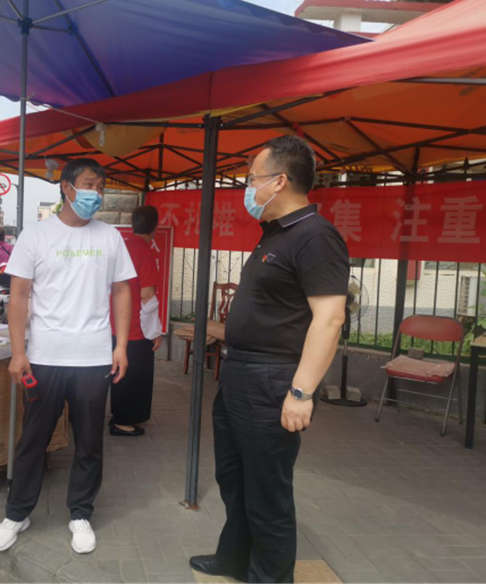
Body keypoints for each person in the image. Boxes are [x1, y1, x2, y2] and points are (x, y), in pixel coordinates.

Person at [189, 136, 349, 584]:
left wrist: (301, 392)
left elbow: (330, 319)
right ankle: (235, 559)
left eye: (251, 179)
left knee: (267, 493)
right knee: (234, 478)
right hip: (240, 374)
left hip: (272, 380)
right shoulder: (276, 234)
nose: (247, 188)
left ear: (279, 181)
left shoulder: (316, 237)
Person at [0, 158, 136, 555]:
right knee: (33, 440)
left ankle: (81, 514)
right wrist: (18, 352)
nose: (96, 193)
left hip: (93, 357)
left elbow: (122, 291)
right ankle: (17, 513)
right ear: (67, 188)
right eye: (89, 184)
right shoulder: (36, 235)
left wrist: (121, 345)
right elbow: (18, 295)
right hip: (45, 356)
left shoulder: (110, 237)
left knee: (89, 442)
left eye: (101, 186)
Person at [109, 205, 163, 437]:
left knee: (120, 371)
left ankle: (120, 415)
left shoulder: (122, 246)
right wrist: (155, 330)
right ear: (155, 226)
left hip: (114, 322)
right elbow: (147, 295)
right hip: (135, 327)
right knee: (134, 374)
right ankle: (124, 422)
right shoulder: (144, 250)